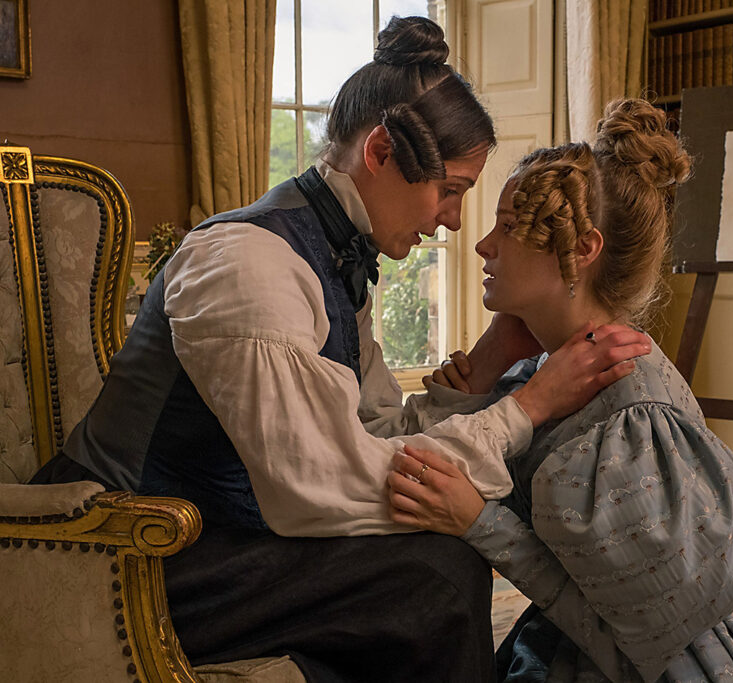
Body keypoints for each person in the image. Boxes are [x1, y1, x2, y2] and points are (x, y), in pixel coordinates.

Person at [30, 16, 651, 682]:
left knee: (428, 574)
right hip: (121, 554)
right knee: (435, 576)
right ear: (381, 153)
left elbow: (373, 434)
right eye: (451, 190)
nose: (455, 220)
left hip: (225, 536)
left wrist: (491, 365)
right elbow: (324, 487)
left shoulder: (333, 260)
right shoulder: (250, 267)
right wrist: (527, 406)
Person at [388, 98, 733, 682]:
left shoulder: (629, 417)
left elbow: (644, 650)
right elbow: (411, 460)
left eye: (508, 225)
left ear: (581, 250)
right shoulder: (542, 374)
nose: (483, 245)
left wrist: (481, 524)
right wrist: (488, 360)